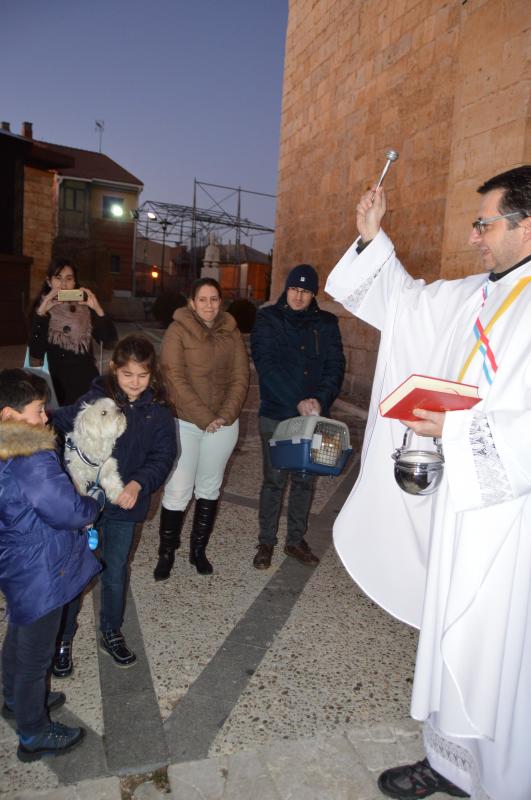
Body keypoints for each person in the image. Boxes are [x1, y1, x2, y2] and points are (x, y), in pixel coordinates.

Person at [325, 166, 531, 800]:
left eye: (484, 223)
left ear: (527, 225)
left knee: (497, 650)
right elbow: (405, 303)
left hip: (510, 521)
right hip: (460, 509)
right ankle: (449, 764)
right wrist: (372, 237)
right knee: (449, 633)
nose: (474, 237)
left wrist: (460, 431)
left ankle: (501, 780)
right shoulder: (477, 294)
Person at [51, 334, 177, 672]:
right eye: (127, 375)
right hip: (84, 505)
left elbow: (164, 455)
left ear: (153, 375)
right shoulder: (96, 399)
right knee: (76, 571)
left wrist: (138, 484)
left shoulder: (159, 410)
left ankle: (111, 630)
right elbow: (59, 420)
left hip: (125, 503)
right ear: (114, 370)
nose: (135, 384)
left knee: (116, 569)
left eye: (143, 376)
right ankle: (63, 638)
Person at [0, 369, 102, 762]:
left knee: (21, 630)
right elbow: (66, 510)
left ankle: (14, 698)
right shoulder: (29, 451)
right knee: (35, 655)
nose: (45, 418)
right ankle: (34, 733)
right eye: (39, 410)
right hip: (41, 564)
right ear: (10, 414)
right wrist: (93, 506)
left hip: (15, 558)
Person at [251, 264, 345, 570]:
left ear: (313, 294)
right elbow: (267, 365)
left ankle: (295, 540)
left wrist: (319, 399)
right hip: (277, 413)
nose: (299, 296)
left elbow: (335, 366)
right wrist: (298, 402)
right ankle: (266, 541)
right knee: (274, 480)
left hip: (315, 417)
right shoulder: (268, 318)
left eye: (305, 291)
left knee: (305, 480)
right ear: (286, 289)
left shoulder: (327, 323)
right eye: (294, 289)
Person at [155, 277, 249, 578]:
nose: (209, 305)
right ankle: (166, 553)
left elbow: (240, 377)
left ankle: (198, 551)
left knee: (209, 489)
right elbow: (173, 378)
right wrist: (204, 416)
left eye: (214, 299)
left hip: (223, 424)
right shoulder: (177, 331)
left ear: (220, 302)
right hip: (185, 422)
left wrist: (224, 414)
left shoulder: (231, 332)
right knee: (178, 490)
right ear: (192, 303)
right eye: (203, 299)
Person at [29, 259, 117, 405]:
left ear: (75, 282)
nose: (63, 284)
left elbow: (109, 341)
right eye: (58, 278)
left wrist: (98, 309)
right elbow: (36, 352)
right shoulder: (41, 311)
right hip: (58, 385)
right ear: (49, 282)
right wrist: (41, 313)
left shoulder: (85, 308)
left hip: (87, 383)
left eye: (69, 279)